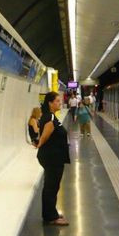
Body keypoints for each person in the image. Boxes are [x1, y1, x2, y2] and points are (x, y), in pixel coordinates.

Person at [37, 92, 71, 226]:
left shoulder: (49, 115)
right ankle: (51, 217)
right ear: (50, 103)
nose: (60, 103)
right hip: (52, 157)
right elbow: (45, 135)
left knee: (51, 186)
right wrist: (40, 143)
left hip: (52, 157)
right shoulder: (50, 117)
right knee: (51, 187)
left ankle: (51, 213)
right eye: (57, 101)